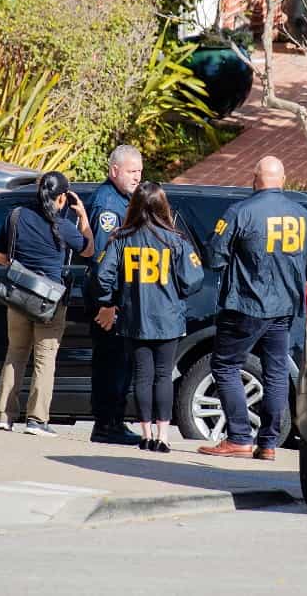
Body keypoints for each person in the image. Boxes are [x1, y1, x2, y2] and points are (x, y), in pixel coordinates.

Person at [197, 156, 307, 461]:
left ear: (255, 179)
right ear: (282, 180)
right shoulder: (303, 215)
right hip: (284, 308)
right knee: (276, 373)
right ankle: (268, 443)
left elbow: (214, 257)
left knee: (225, 366)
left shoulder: (240, 212)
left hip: (245, 305)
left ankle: (239, 437)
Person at [93, 182, 204, 453]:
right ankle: (162, 436)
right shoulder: (175, 240)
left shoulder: (120, 238)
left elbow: (101, 276)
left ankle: (145, 435)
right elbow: (194, 279)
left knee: (142, 376)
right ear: (162, 206)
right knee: (163, 376)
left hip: (134, 319)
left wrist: (112, 300)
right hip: (168, 318)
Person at [0, 172, 94, 436]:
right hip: (49, 302)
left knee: (15, 353)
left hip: (17, 295)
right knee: (44, 359)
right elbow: (89, 250)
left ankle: (4, 415)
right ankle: (37, 420)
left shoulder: (16, 216)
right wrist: (82, 215)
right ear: (62, 198)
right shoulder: (63, 227)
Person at [86, 144, 145, 445]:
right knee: (111, 362)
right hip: (108, 298)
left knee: (121, 362)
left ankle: (114, 421)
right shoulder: (108, 205)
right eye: (131, 171)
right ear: (114, 171)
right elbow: (102, 258)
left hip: (122, 296)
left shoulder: (126, 200)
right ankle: (107, 424)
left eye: (139, 171)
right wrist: (107, 302)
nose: (137, 177)